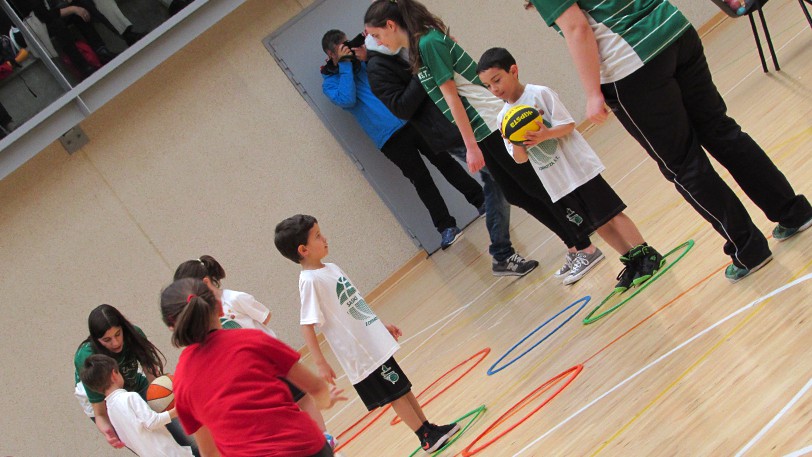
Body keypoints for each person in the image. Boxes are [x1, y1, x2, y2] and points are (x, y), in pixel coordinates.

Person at [523, 0, 812, 283]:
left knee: (684, 165)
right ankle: (793, 212)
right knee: (721, 131)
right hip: (674, 28)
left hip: (633, 63)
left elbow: (577, 28)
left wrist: (592, 93)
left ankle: (749, 250)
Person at [363, 0, 606, 285]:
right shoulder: (418, 49)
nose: (375, 42)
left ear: (391, 25)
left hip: (490, 123)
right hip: (482, 129)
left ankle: (585, 246)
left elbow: (453, 97)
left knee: (535, 188)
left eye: (376, 35)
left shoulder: (428, 42)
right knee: (516, 193)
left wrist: (471, 146)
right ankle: (573, 246)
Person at [477, 47, 665, 290]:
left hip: (578, 169)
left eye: (497, 80)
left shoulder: (539, 94)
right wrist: (517, 143)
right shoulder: (503, 118)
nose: (495, 89)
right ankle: (631, 259)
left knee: (612, 213)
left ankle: (647, 253)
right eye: (488, 86)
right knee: (596, 223)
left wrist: (546, 134)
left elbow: (568, 124)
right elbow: (520, 159)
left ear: (513, 71)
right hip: (556, 180)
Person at [274, 214, 461, 453]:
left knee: (402, 387)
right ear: (303, 249)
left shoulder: (330, 268)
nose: (325, 238)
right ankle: (424, 436)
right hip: (362, 353)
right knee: (395, 393)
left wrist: (380, 325)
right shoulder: (310, 281)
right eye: (318, 236)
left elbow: (355, 303)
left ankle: (428, 427)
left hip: (373, 342)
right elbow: (306, 324)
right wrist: (320, 362)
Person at [364, 35, 538, 276]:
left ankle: (503, 253)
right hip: (445, 130)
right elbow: (401, 107)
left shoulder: (415, 43)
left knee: (498, 180)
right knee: (506, 176)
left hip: (465, 121)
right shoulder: (377, 66)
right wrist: (423, 73)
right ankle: (510, 249)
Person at [321, 29, 486, 249]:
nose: (348, 49)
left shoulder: (368, 59)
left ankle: (482, 201)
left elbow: (398, 71)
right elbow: (347, 99)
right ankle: (446, 227)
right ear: (331, 54)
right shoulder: (330, 83)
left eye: (347, 44)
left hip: (411, 119)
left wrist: (368, 57)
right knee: (421, 180)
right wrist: (345, 66)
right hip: (388, 138)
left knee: (445, 163)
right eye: (341, 48)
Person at [160, 277, 346, 457]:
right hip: (304, 447)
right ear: (219, 308)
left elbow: (209, 452)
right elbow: (317, 388)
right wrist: (325, 401)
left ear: (171, 328)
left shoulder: (181, 382)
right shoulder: (252, 340)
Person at [73, 304, 197, 454]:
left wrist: (164, 394)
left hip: (134, 386)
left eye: (118, 334)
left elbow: (151, 373)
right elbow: (99, 412)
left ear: (123, 327)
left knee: (184, 437)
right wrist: (108, 431)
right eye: (107, 340)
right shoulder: (87, 359)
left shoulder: (133, 334)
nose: (115, 343)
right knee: (148, 443)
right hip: (106, 402)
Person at [79, 354, 194, 457]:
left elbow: (126, 440)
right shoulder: (130, 397)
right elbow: (152, 422)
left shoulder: (111, 411)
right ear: (114, 374)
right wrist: (177, 410)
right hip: (168, 453)